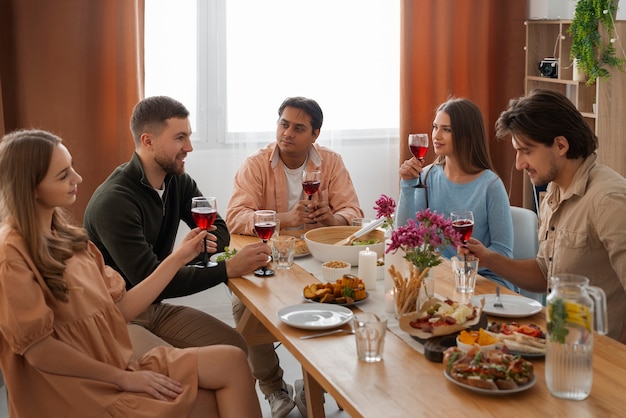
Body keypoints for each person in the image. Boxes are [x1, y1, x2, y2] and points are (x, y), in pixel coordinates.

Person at [0, 129, 262, 417]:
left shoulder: (72, 241)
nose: (78, 178)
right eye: (63, 175)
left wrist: (178, 259)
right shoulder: (11, 256)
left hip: (114, 360)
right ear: (31, 187)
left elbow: (120, 310)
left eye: (72, 167)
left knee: (232, 360)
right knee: (209, 404)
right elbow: (39, 352)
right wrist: (123, 378)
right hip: (80, 387)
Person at [84, 96, 272, 360]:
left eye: (189, 136)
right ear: (148, 141)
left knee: (235, 347)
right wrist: (228, 269)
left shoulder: (177, 181)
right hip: (118, 317)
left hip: (155, 308)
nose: (190, 147)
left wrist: (193, 251)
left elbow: (219, 227)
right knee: (183, 375)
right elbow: (152, 280)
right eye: (180, 138)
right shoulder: (114, 202)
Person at [226, 96, 363, 417]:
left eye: (298, 128)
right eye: (283, 124)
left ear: (315, 135)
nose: (287, 133)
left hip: (318, 256)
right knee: (242, 306)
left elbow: (353, 212)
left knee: (345, 300)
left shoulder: (330, 162)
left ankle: (316, 380)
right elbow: (234, 216)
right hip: (272, 256)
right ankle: (274, 387)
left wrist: (332, 219)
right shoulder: (256, 164)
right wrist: (283, 219)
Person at [464, 89, 626, 343]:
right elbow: (545, 274)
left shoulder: (608, 199)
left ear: (561, 145)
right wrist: (488, 258)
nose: (518, 164)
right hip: (561, 343)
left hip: (599, 358)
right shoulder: (553, 190)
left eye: (526, 151)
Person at [396, 97, 516, 290]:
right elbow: (405, 236)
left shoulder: (490, 185)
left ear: (467, 135)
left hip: (484, 280)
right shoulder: (425, 177)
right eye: (435, 127)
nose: (436, 135)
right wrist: (407, 185)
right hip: (442, 278)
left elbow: (503, 252)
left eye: (447, 129)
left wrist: (469, 262)